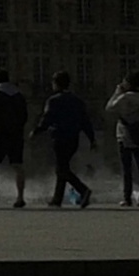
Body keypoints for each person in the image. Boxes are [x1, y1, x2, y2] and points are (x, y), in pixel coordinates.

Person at [34, 70, 98, 208]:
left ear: (56, 84)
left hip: (60, 137)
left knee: (62, 169)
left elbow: (46, 118)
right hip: (73, 138)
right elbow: (85, 121)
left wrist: (37, 131)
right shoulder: (77, 101)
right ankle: (57, 199)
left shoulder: (53, 100)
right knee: (62, 167)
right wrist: (92, 138)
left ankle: (83, 190)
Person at [107, 71, 139, 207]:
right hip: (138, 133)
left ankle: (127, 198)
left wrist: (117, 92)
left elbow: (109, 107)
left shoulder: (124, 98)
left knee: (127, 169)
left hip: (124, 134)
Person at [0, 70, 29, 208]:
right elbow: (24, 116)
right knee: (18, 165)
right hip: (16, 133)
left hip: (0, 133)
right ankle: (20, 197)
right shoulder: (19, 95)